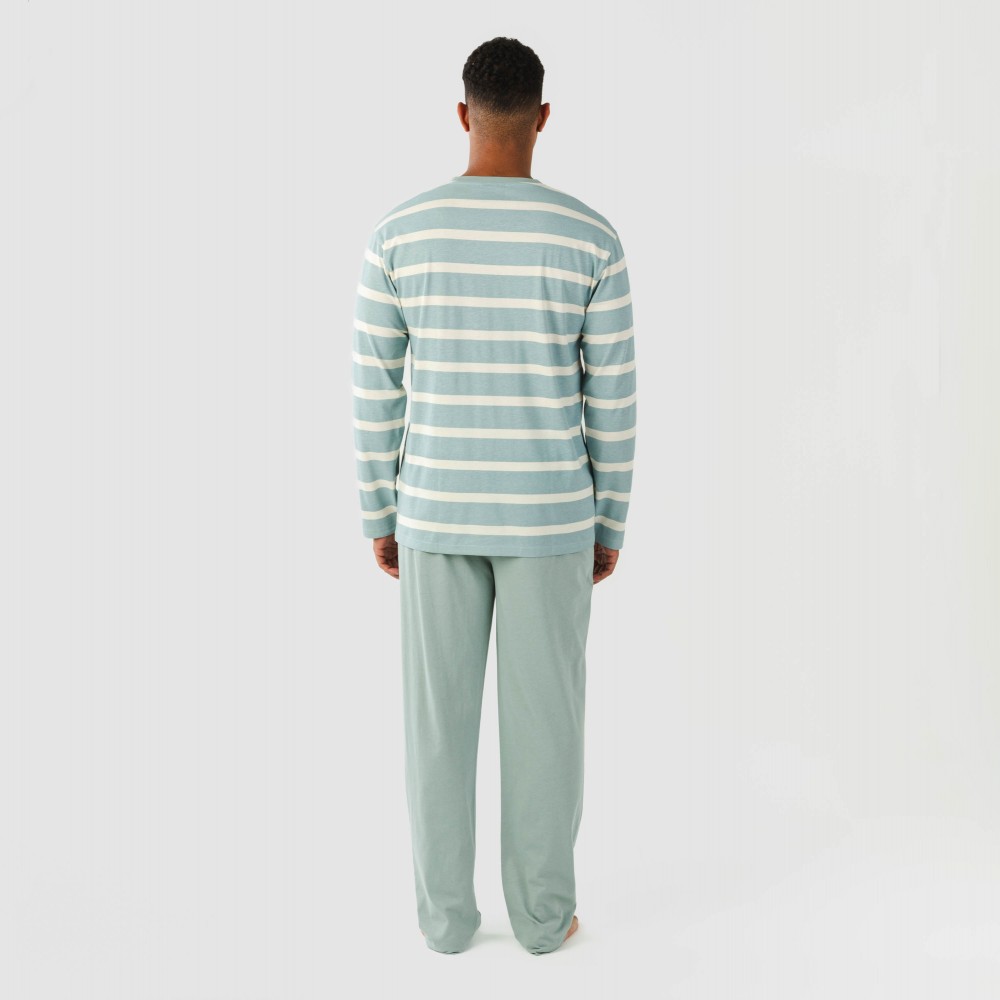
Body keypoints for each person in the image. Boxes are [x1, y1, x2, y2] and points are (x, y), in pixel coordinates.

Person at [352, 36, 636, 955]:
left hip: (434, 511)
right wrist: (608, 521)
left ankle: (444, 923)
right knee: (547, 726)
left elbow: (375, 389)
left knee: (436, 729)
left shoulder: (399, 234)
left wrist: (381, 512)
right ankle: (545, 922)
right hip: (552, 517)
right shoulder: (590, 238)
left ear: (463, 113)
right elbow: (613, 400)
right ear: (543, 117)